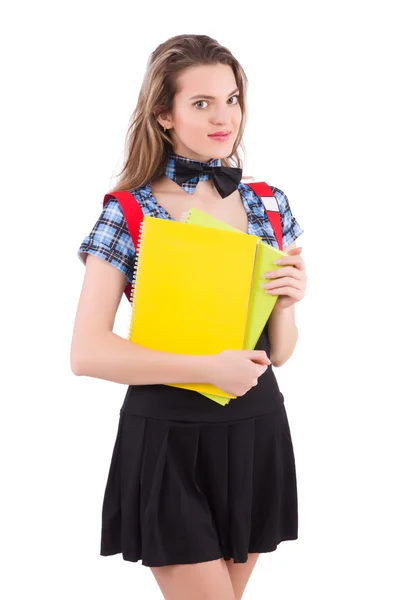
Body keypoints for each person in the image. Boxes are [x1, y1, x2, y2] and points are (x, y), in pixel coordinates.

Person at [71, 33, 307, 600]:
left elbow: (279, 351)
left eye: (231, 99)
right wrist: (207, 368)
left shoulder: (268, 202)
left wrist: (290, 304)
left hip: (255, 426)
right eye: (201, 103)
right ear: (164, 115)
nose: (223, 116)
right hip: (168, 433)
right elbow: (87, 352)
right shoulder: (128, 210)